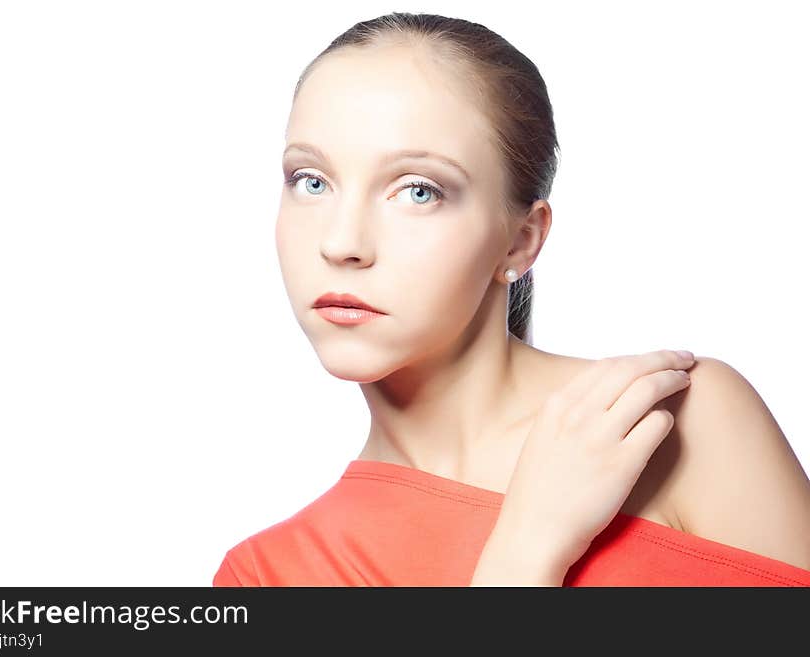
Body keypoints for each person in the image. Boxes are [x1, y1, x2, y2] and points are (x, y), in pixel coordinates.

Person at [213, 12, 810, 586]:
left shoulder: (671, 422)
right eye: (310, 181)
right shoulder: (266, 578)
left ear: (522, 240)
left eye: (417, 191)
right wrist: (524, 554)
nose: (342, 242)